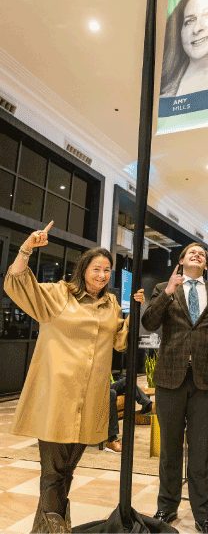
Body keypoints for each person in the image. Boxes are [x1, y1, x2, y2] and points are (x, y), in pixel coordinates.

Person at [4, 221, 131, 534]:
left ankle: (43, 529)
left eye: (107, 271)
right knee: (53, 471)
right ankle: (57, 528)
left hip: (91, 399)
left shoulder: (112, 304)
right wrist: (27, 249)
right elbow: (18, 284)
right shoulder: (59, 295)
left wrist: (141, 312)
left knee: (66, 472)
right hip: (57, 394)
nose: (102, 276)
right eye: (96, 268)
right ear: (84, 268)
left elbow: (121, 341)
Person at [142, 243, 208, 533]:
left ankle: (203, 514)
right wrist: (167, 293)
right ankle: (166, 508)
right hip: (169, 378)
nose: (197, 254)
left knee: (201, 450)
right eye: (192, 251)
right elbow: (149, 322)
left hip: (204, 380)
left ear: (205, 265)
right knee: (170, 448)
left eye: (202, 254)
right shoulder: (165, 287)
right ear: (181, 260)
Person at [106, 377, 155, 454]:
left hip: (103, 386)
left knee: (127, 381)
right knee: (111, 393)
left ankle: (148, 405)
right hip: (92, 390)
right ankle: (112, 440)